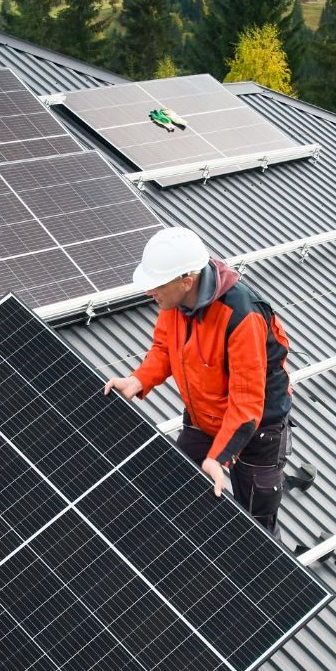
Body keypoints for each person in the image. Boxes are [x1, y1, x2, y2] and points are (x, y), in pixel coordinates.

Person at [104, 226, 292, 535]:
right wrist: (138, 380)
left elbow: (247, 403)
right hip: (204, 418)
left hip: (258, 430)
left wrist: (218, 458)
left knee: (257, 524)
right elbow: (165, 348)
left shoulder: (242, 316)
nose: (149, 293)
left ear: (186, 281)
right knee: (180, 485)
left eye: (155, 286)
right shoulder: (175, 302)